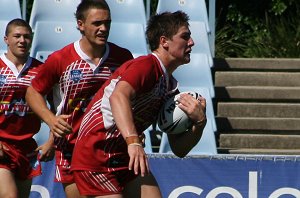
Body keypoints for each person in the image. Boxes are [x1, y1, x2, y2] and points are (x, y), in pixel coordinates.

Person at [71, 11, 207, 197]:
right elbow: (118, 96)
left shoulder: (170, 86)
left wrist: (199, 124)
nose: (191, 42)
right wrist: (133, 141)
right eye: (185, 36)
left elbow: (179, 149)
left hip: (125, 158)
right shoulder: (146, 66)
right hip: (96, 154)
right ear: (164, 41)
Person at [25, 0, 134, 197]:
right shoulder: (61, 59)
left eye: (107, 23)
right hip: (71, 147)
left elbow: (133, 97)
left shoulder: (123, 57)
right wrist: (51, 120)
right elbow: (32, 92)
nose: (103, 28)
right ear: (80, 24)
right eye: (97, 23)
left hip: (109, 148)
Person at [0, 18, 54, 198]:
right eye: (17, 36)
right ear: (6, 39)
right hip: (2, 145)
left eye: (27, 37)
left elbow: (58, 108)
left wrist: (51, 141)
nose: (22, 41)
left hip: (26, 147)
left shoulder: (42, 70)